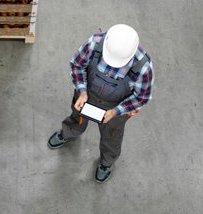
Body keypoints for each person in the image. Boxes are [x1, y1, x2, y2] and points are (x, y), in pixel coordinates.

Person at [47, 24, 154, 183]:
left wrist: (117, 111)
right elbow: (77, 66)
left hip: (115, 108)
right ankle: (69, 131)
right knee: (77, 116)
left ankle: (106, 162)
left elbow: (141, 98)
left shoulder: (143, 67)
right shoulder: (95, 43)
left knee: (112, 135)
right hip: (87, 94)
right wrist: (82, 91)